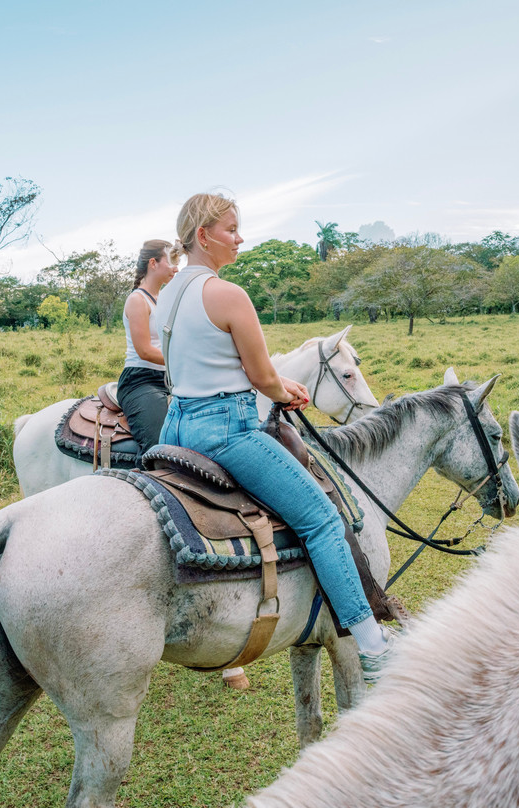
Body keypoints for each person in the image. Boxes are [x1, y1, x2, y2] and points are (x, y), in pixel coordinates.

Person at [155, 192, 394, 685]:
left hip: (175, 425)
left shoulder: (168, 294)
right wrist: (284, 389)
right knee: (323, 521)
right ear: (203, 235)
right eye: (231, 229)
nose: (239, 239)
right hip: (227, 428)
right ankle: (373, 648)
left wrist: (276, 385)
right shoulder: (226, 293)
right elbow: (262, 376)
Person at [116, 239, 178, 460]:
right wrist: (183, 359)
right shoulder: (137, 300)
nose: (176, 268)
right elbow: (144, 350)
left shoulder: (164, 300)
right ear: (153, 263)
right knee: (158, 448)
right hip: (141, 380)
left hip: (169, 378)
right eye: (171, 261)